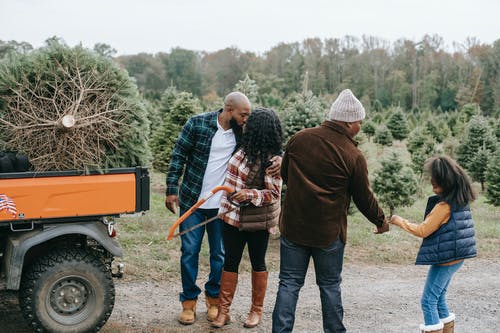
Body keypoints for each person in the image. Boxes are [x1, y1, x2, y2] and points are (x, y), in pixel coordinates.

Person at [272, 89, 390, 333]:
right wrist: (380, 220)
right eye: (359, 121)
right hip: (329, 233)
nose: (360, 125)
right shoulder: (353, 155)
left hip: (294, 228)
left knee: (289, 284)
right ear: (348, 122)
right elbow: (363, 196)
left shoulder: (298, 139)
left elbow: (286, 176)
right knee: (330, 286)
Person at [165, 92, 281, 325]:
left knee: (219, 255)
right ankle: (188, 302)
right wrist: (171, 189)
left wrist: (282, 157)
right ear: (229, 109)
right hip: (193, 200)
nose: (246, 119)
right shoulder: (196, 124)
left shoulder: (243, 132)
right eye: (243, 114)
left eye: (248, 116)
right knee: (189, 252)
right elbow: (178, 155)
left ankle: (214, 300)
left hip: (224, 207)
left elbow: (267, 143)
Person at [211, 108, 283, 329]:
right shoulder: (243, 146)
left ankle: (256, 311)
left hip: (256, 221)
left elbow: (273, 194)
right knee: (230, 261)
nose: (244, 123)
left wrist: (250, 194)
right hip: (231, 216)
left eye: (249, 122)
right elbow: (223, 117)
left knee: (257, 262)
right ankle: (224, 312)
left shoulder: (272, 161)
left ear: (259, 129)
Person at [389, 156, 477, 333]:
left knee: (428, 300)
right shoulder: (460, 200)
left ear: (447, 183)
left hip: (446, 259)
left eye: (436, 185)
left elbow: (423, 230)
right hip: (456, 257)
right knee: (439, 297)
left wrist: (398, 221)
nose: (433, 189)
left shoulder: (444, 206)